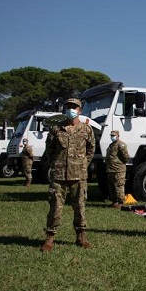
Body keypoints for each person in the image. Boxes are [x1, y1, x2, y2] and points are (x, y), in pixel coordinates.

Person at [40, 98, 95, 252]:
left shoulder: (86, 130)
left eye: (74, 107)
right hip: (59, 176)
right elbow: (49, 151)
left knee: (80, 207)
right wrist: (57, 164)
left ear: (80, 110)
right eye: (68, 107)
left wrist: (82, 165)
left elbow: (90, 150)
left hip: (79, 176)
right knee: (55, 208)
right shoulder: (56, 129)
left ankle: (81, 237)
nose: (71, 109)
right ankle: (50, 238)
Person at [106, 130, 129, 208]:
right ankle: (114, 202)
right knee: (111, 187)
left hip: (118, 170)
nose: (112, 137)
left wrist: (119, 164)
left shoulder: (121, 145)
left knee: (118, 186)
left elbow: (126, 157)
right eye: (111, 135)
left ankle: (121, 203)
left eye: (114, 135)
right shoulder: (111, 145)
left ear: (118, 136)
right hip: (111, 169)